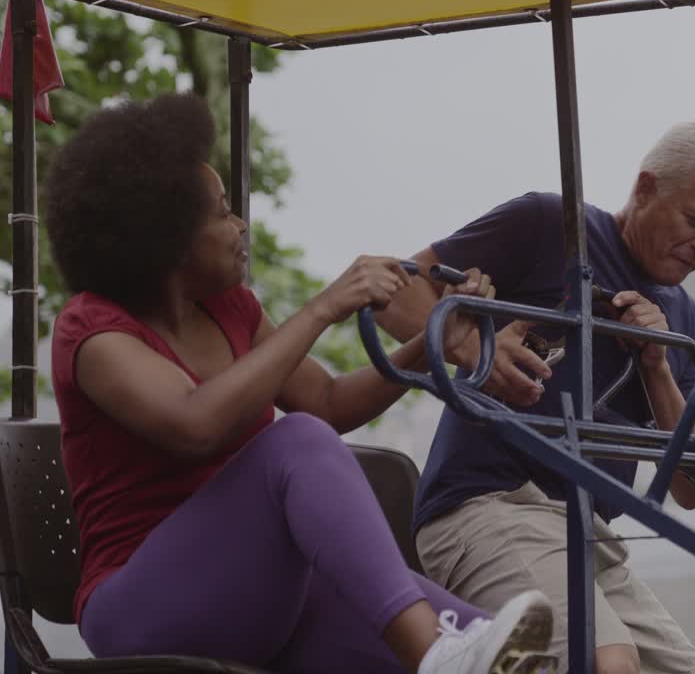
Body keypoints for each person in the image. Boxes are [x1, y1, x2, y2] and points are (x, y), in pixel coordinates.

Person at [45, 94, 556, 674]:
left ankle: (447, 651)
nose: (240, 225)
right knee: (297, 441)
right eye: (221, 212)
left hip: (261, 594)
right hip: (142, 607)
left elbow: (328, 400)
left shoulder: (230, 308)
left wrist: (433, 342)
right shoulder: (90, 331)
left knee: (504, 651)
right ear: (166, 234)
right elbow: (196, 425)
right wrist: (323, 308)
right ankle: (436, 656)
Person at [378, 122, 695, 673]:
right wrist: (472, 348)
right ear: (646, 188)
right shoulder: (554, 228)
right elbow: (400, 293)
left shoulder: (685, 323)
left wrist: (656, 366)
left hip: (591, 538)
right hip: (489, 506)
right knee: (607, 664)